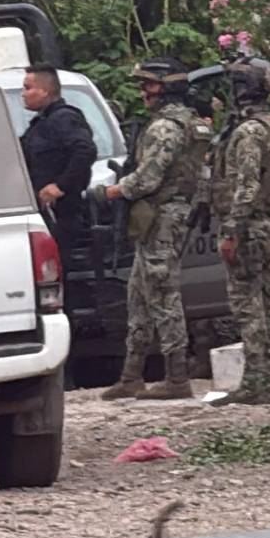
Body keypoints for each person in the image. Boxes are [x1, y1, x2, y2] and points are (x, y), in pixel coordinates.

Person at [91, 57, 212, 401]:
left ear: (167, 87)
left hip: (161, 216)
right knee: (139, 293)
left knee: (161, 294)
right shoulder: (191, 123)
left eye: (150, 85)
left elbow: (147, 178)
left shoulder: (164, 127)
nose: (143, 92)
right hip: (165, 216)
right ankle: (132, 375)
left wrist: (111, 192)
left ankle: (176, 377)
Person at [209, 57, 270, 405]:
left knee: (248, 306)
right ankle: (268, 381)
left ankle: (256, 384)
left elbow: (246, 187)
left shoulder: (249, 132)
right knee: (266, 304)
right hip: (267, 224)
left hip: (248, 227)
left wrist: (231, 231)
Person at [19, 64, 96, 221]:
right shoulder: (40, 123)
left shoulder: (64, 118)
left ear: (44, 91)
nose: (23, 94)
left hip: (65, 212)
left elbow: (85, 150)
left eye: (28, 88)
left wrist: (60, 186)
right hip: (46, 209)